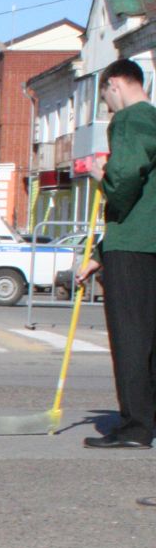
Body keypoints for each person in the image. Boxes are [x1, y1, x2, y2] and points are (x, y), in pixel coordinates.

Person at [79, 57, 156, 449]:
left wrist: (103, 180)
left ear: (114, 84)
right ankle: (150, 419)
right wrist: (98, 253)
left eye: (105, 97)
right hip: (147, 242)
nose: (107, 106)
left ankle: (135, 427)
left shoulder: (129, 121)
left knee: (130, 336)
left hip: (133, 245)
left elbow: (127, 177)